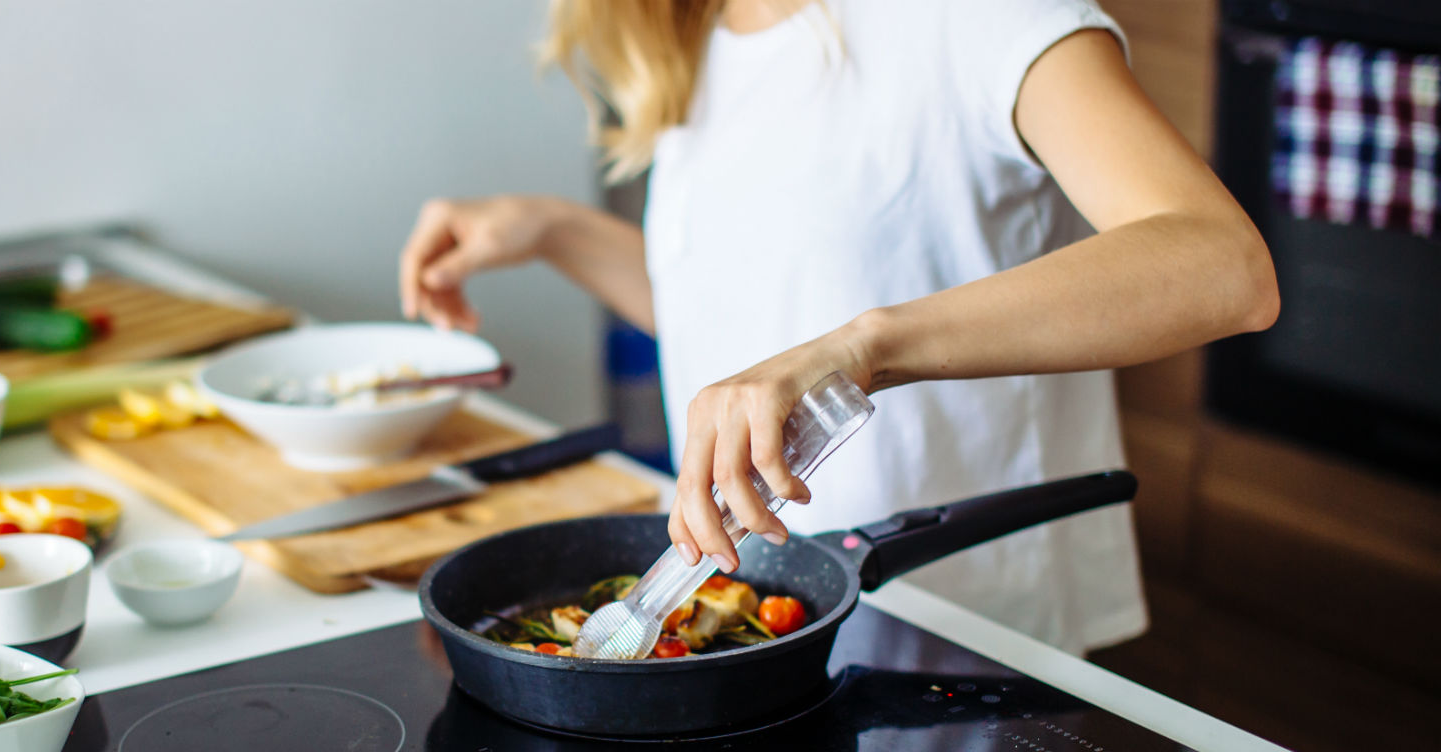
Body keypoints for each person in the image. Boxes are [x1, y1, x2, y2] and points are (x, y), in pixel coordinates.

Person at [397, 0, 1277, 656]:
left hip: (956, 630)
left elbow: (1223, 269)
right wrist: (556, 229)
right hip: (765, 625)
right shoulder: (701, 30)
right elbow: (750, 323)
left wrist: (862, 352)